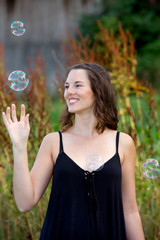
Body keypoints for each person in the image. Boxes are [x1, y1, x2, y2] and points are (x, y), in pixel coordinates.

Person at [2, 62, 145, 240]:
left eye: (77, 85)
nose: (69, 91)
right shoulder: (54, 142)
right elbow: (25, 203)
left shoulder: (122, 143)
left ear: (98, 90)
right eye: (67, 86)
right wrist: (19, 146)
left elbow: (130, 211)